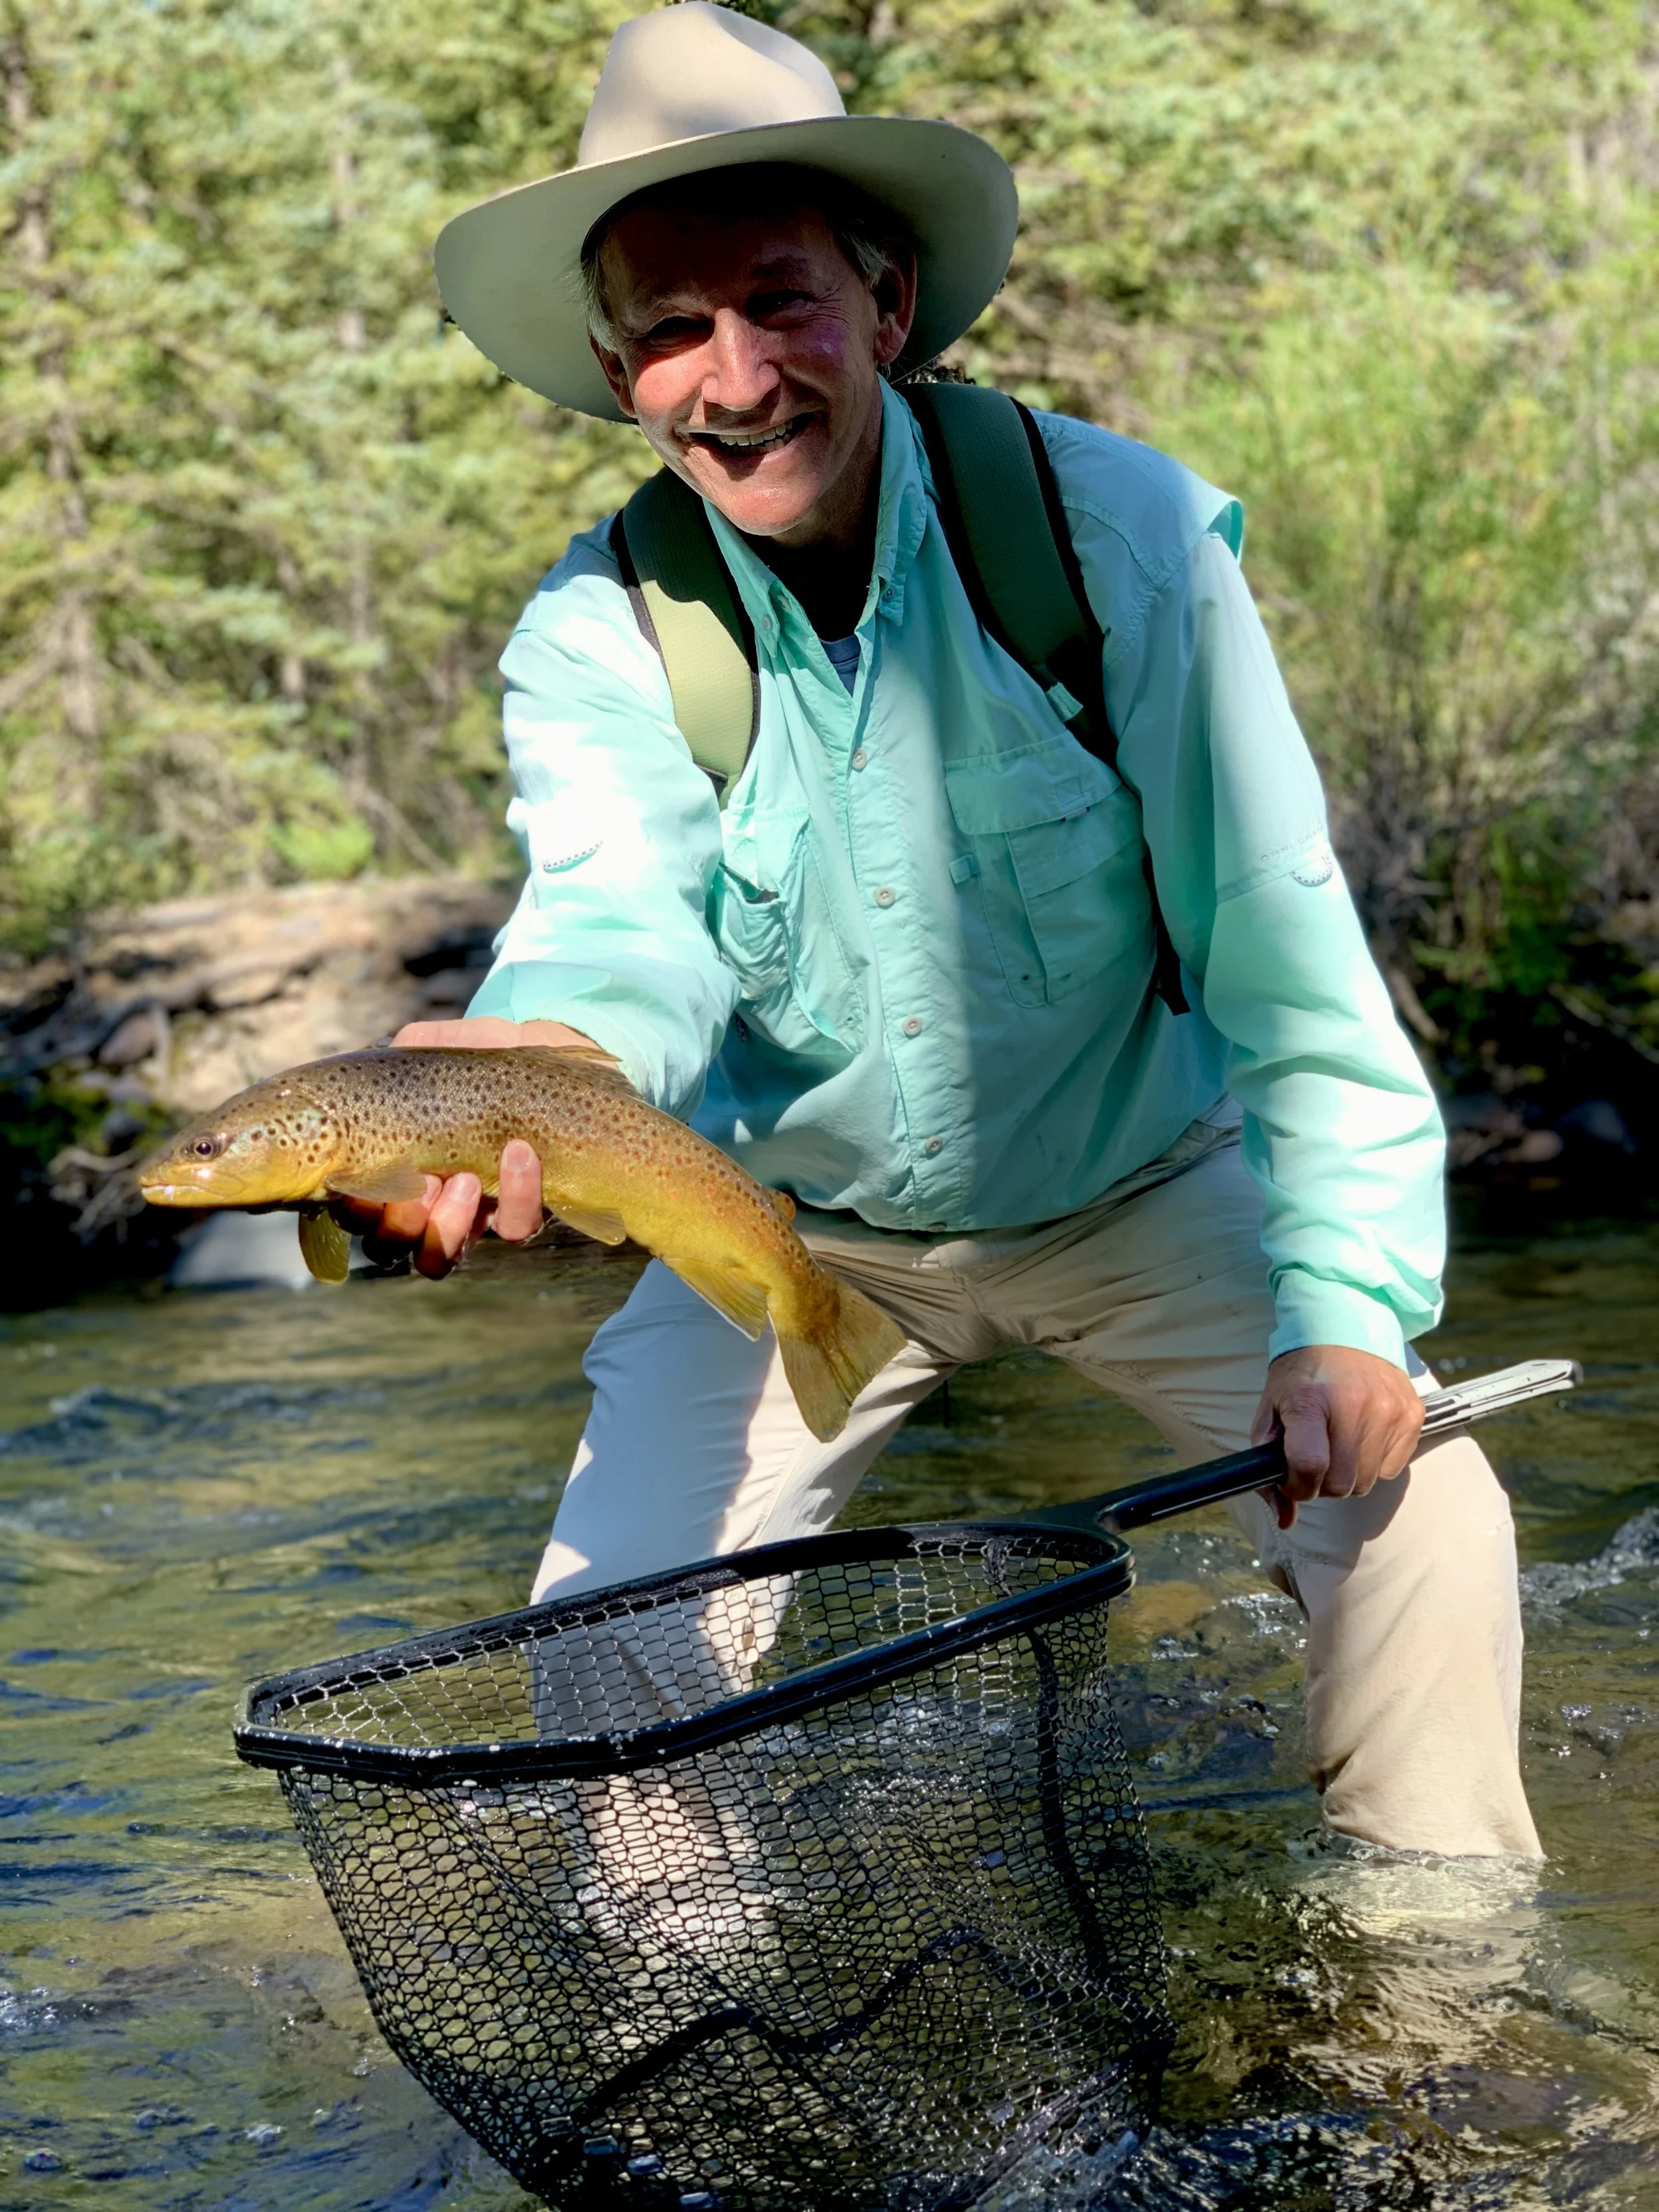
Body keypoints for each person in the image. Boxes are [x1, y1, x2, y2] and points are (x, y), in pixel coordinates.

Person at [338, 1, 1540, 1859]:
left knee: (1426, 1507)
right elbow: (614, 932)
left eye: (780, 300)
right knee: (606, 1654)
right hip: (784, 1221)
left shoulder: (1116, 539)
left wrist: (1349, 1311)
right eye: (671, 330)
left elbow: (1282, 963)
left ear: (886, 305)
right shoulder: (597, 636)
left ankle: (1432, 1995)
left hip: (1149, 1176)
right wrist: (540, 1076)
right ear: (614, 370)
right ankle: (695, 2015)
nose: (733, 376)